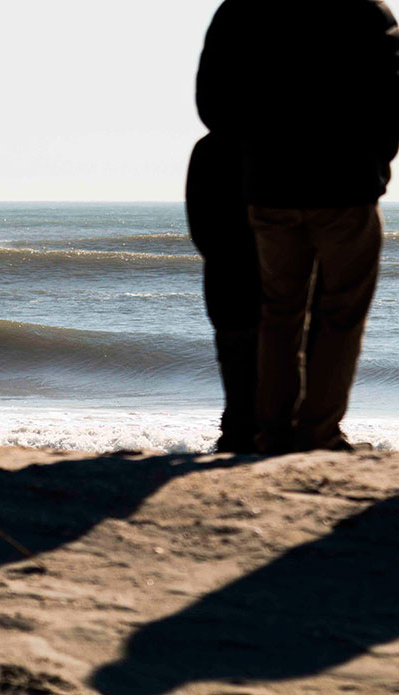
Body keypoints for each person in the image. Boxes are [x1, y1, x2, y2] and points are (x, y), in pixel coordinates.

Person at [196, 0, 399, 453]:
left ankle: (272, 430)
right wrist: (376, 164)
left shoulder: (242, 12)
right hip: (346, 185)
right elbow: (391, 96)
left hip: (270, 184)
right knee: (341, 315)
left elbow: (212, 107)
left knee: (279, 312)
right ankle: (318, 432)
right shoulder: (365, 11)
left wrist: (261, 145)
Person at [186, 133, 260, 453]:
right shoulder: (262, 143)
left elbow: (198, 220)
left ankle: (237, 430)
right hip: (247, 263)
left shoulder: (208, 148)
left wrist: (217, 256)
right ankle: (252, 428)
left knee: (233, 347)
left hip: (223, 266)